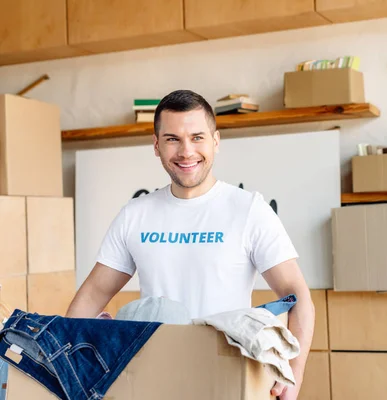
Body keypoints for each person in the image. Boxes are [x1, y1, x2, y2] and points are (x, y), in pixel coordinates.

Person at [66, 89, 315, 399]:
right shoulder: (136, 214)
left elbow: (298, 295)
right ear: (156, 146)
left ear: (215, 141)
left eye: (197, 137)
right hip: (152, 382)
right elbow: (91, 296)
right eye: (172, 139)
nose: (186, 152)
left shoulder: (248, 210)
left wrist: (294, 372)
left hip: (225, 380)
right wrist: (68, 368)